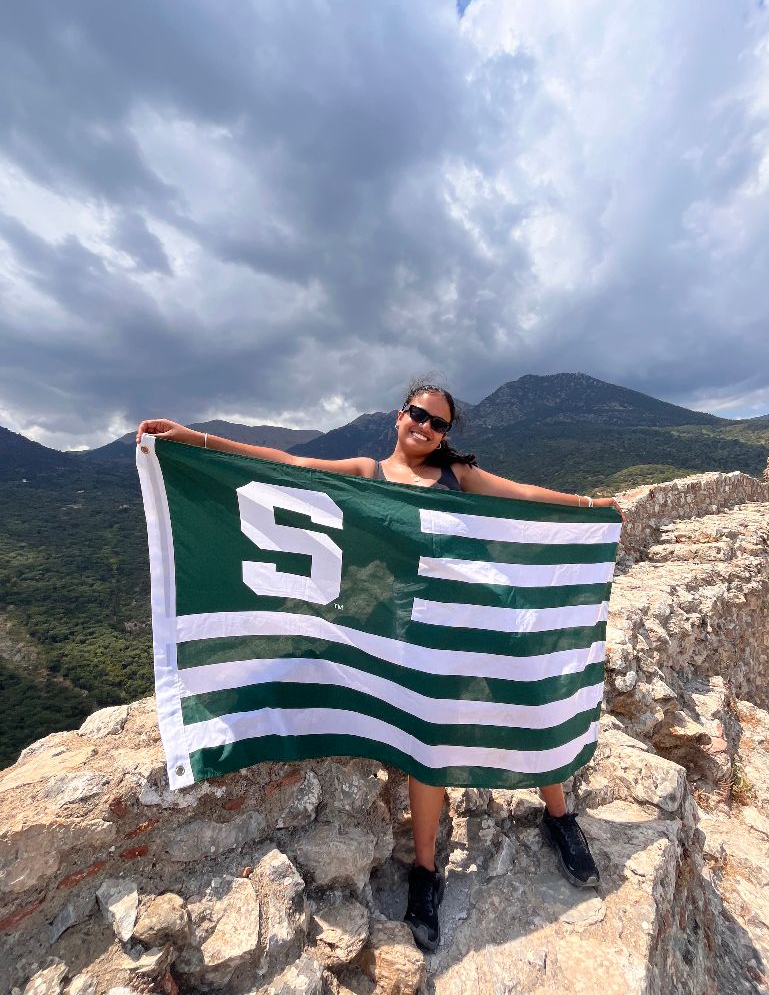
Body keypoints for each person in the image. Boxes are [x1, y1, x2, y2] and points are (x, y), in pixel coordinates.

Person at [137, 379, 624, 952]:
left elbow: (523, 497)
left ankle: (560, 818)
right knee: (428, 741)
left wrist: (592, 507)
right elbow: (291, 466)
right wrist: (197, 441)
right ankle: (425, 872)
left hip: (484, 611)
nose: (425, 426)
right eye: (418, 414)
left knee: (530, 704)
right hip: (414, 632)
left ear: (445, 433)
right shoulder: (368, 475)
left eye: (438, 423)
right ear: (401, 416)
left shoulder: (456, 477)